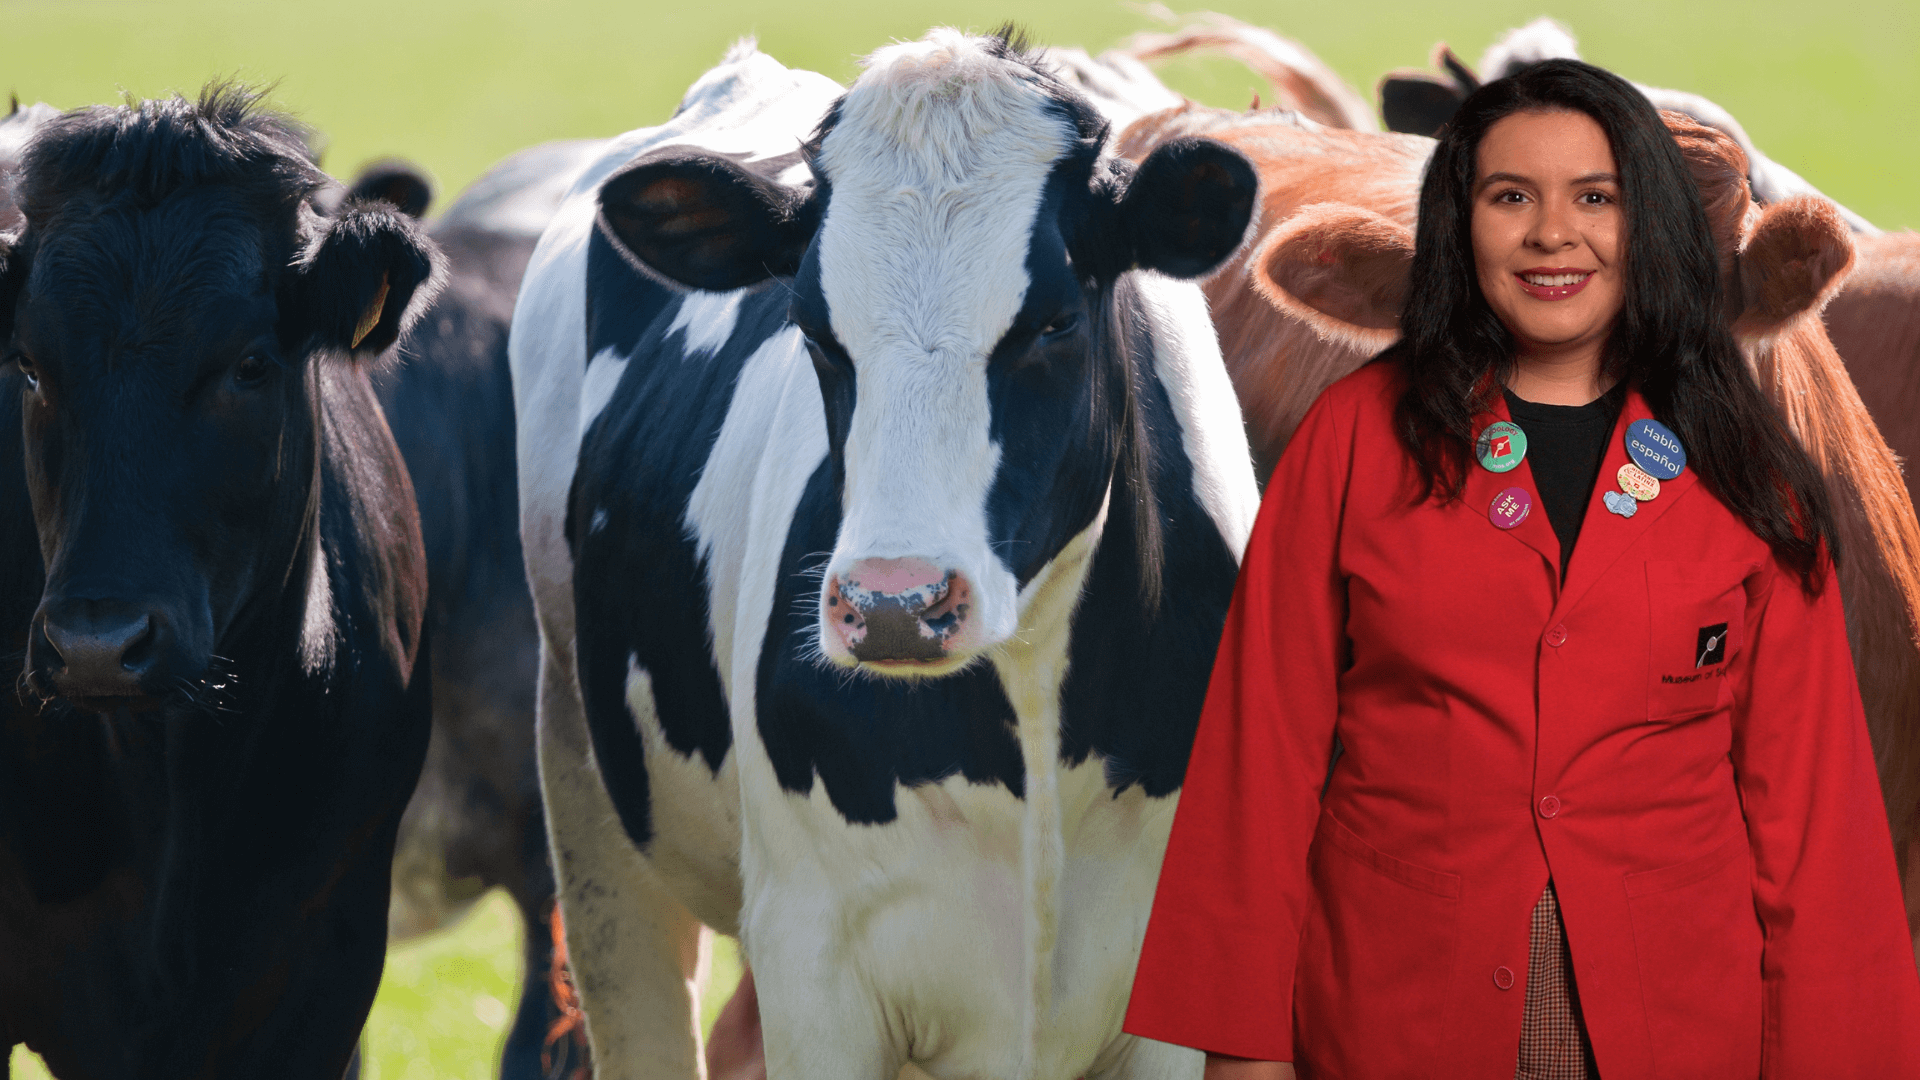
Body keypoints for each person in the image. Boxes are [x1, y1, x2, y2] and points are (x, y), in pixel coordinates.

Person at [1122, 59, 1920, 1079]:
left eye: (1600, 200)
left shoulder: (1759, 486)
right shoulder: (1356, 442)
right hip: (1399, 1015)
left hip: (1670, 1021)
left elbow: (1817, 824)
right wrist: (1243, 1051)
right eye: (1511, 199)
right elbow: (1259, 766)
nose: (1555, 236)